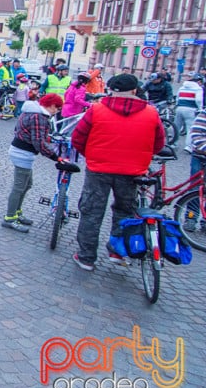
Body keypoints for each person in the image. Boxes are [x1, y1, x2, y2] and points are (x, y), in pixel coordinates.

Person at [71, 73, 165, 270]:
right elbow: (158, 144)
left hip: (99, 168)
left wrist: (92, 155)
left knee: (91, 211)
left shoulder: (97, 110)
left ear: (111, 90)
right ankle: (118, 251)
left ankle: (86, 257)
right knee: (125, 211)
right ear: (134, 90)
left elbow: (78, 137)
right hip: (133, 171)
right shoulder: (151, 113)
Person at [2, 93, 64, 232]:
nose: (57, 112)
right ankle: (10, 218)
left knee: (27, 184)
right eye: (57, 108)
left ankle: (17, 213)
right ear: (52, 105)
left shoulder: (31, 110)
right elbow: (38, 142)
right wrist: (56, 157)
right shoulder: (39, 116)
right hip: (23, 153)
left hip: (21, 151)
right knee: (19, 187)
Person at [175, 73, 204, 152]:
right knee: (190, 128)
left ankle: (173, 143)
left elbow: (177, 98)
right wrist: (200, 108)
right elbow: (198, 100)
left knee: (176, 126)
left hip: (180, 108)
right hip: (191, 109)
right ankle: (188, 146)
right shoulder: (198, 89)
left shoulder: (182, 87)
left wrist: (177, 105)